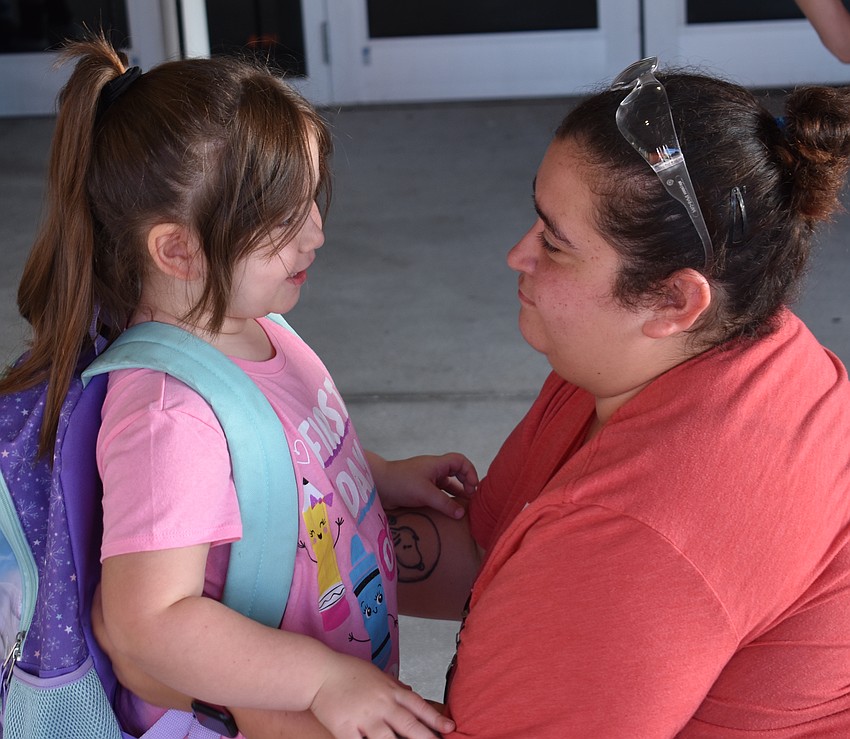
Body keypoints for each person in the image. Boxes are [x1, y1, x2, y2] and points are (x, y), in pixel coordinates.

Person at [1, 34, 480, 738]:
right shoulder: (171, 416)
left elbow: (277, 453)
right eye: (285, 220)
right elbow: (148, 623)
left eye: (313, 202)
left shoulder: (249, 321)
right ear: (179, 249)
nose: (315, 234)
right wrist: (322, 676)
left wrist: (372, 474)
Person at [389, 58, 850, 736]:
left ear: (674, 298)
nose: (518, 254)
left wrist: (239, 690)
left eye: (554, 242)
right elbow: (489, 558)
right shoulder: (703, 345)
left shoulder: (644, 529)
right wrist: (266, 544)